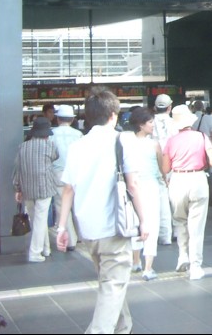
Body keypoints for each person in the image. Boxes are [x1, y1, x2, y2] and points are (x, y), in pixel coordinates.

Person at [55, 87, 148, 333]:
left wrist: (62, 228)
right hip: (114, 227)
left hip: (88, 231)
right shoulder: (123, 139)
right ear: (113, 116)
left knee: (111, 284)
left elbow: (68, 190)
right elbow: (133, 184)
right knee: (113, 286)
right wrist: (144, 221)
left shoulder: (77, 146)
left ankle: (124, 327)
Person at [162, 104, 212, 280]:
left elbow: (165, 168)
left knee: (180, 222)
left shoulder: (171, 141)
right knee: (197, 226)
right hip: (198, 179)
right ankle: (195, 266)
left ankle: (182, 256)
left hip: (178, 180)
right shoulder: (201, 137)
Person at [124, 107, 166, 281]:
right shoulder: (154, 144)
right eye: (150, 122)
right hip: (150, 186)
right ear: (141, 124)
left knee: (136, 223)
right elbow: (162, 167)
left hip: (133, 186)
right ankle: (148, 267)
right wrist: (165, 179)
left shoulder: (127, 143)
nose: (153, 125)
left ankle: (135, 262)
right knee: (151, 224)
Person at [13, 116, 58, 262]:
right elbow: (55, 157)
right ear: (46, 134)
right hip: (44, 186)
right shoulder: (50, 146)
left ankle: (45, 248)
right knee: (40, 219)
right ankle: (34, 253)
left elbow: (17, 170)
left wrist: (17, 189)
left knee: (36, 220)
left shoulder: (22, 147)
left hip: (27, 188)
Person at [51, 105, 83, 251]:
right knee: (78, 204)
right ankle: (82, 235)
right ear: (72, 119)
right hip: (77, 172)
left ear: (57, 118)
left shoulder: (51, 134)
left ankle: (70, 241)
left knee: (61, 205)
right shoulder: (78, 134)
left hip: (58, 173)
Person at [151, 93, 176, 246]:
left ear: (155, 107)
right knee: (175, 199)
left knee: (162, 200)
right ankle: (178, 232)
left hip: (155, 165)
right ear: (170, 107)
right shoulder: (175, 123)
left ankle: (165, 235)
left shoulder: (149, 123)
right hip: (173, 164)